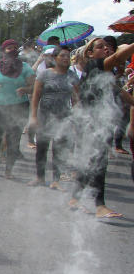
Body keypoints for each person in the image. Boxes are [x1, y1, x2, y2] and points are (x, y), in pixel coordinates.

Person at [68, 38, 134, 218]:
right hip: (91, 123)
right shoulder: (93, 65)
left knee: (89, 161)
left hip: (96, 123)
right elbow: (118, 56)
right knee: (99, 163)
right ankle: (100, 206)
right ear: (90, 53)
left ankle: (75, 198)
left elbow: (119, 91)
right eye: (100, 47)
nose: (106, 49)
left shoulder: (106, 72)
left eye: (108, 46)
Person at [0, 39, 34, 178]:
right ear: (4, 50)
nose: (12, 50)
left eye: (15, 47)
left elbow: (33, 87)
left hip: (18, 107)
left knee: (13, 140)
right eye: (9, 48)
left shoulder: (25, 67)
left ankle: (9, 170)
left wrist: (25, 89)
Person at [29, 46, 78, 188]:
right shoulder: (45, 74)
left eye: (67, 56)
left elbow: (76, 99)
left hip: (63, 117)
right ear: (55, 58)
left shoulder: (72, 75)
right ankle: (40, 178)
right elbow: (36, 95)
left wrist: (76, 118)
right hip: (44, 115)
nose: (65, 58)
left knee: (59, 149)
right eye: (62, 55)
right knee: (41, 148)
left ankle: (56, 180)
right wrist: (33, 116)